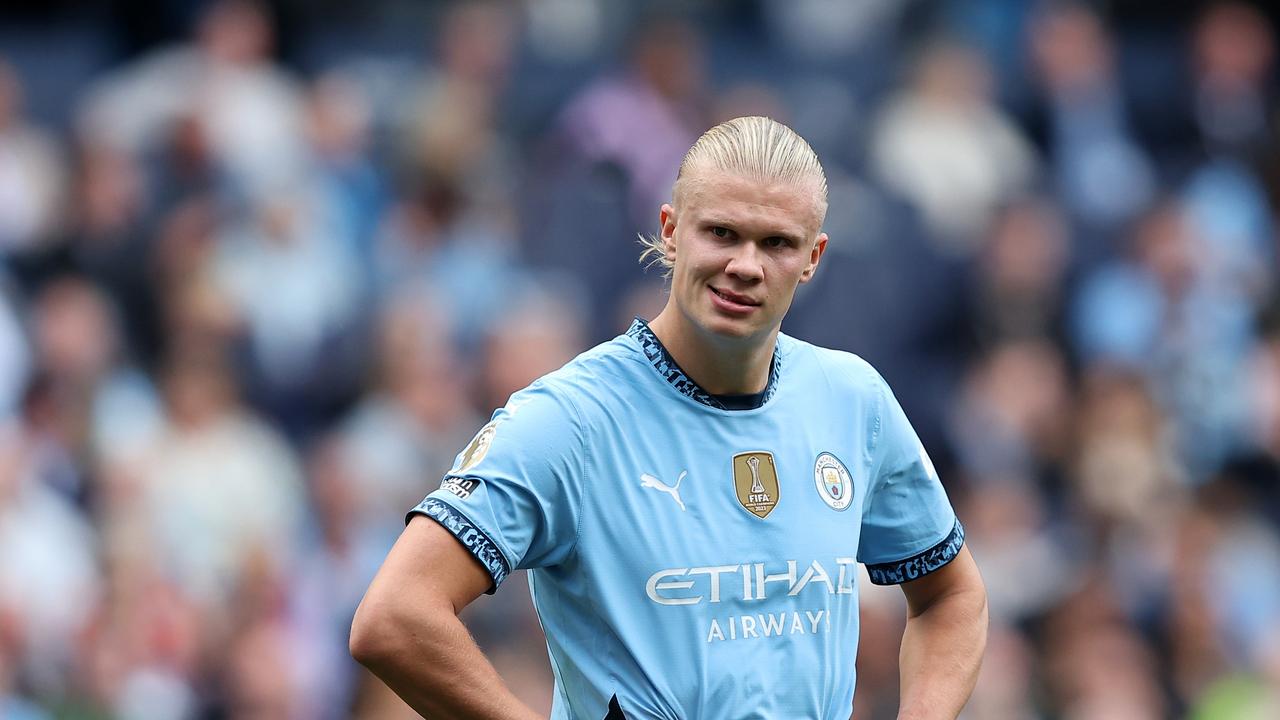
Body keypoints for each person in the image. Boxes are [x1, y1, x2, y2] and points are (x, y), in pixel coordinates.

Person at [350, 116, 988, 719]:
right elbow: (395, 617)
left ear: (814, 257)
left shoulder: (852, 400)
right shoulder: (571, 420)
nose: (745, 264)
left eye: (776, 244)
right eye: (721, 233)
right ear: (670, 229)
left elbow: (952, 596)